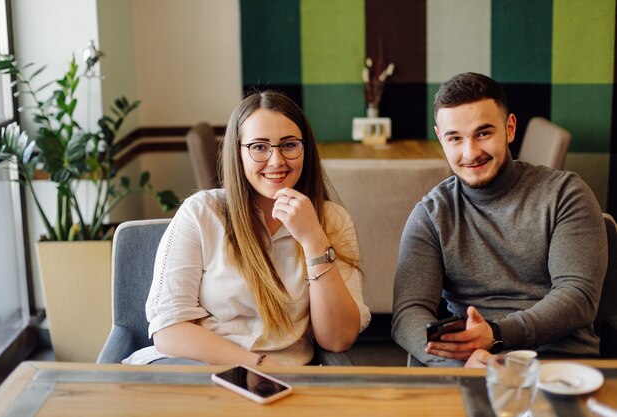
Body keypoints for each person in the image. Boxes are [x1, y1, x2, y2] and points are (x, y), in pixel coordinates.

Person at [124, 91, 370, 366]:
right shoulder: (201, 212)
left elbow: (337, 339)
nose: (276, 161)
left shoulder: (332, 220)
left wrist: (314, 241)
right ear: (238, 152)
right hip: (200, 367)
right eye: (259, 147)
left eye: (289, 145)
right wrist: (258, 366)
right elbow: (169, 331)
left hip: (286, 381)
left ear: (306, 149)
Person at [391, 72, 608, 367]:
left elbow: (578, 297)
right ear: (441, 138)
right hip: (470, 364)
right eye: (455, 138)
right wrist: (461, 364)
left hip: (557, 361)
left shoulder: (564, 194)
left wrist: (495, 334)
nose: (471, 152)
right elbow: (408, 314)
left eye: (483, 133)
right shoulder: (432, 213)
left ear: (509, 128)